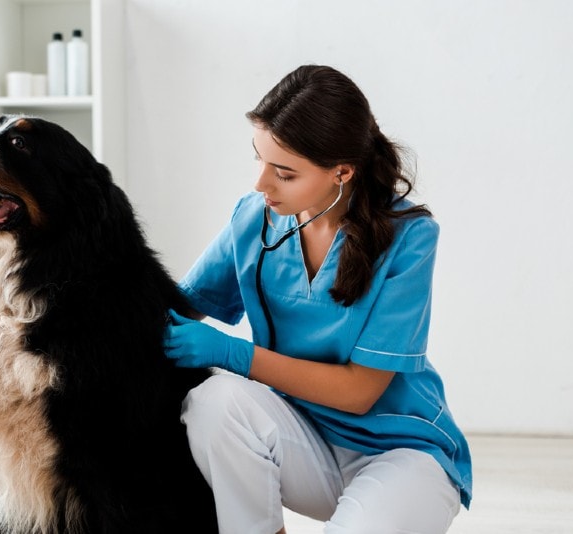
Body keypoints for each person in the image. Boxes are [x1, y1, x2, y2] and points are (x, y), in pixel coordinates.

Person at [163, 65, 472, 534]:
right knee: (213, 403)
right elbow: (177, 307)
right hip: (302, 441)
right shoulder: (254, 219)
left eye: (284, 173)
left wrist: (233, 353)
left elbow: (359, 391)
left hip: (400, 452)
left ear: (341, 172)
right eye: (259, 160)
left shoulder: (409, 237)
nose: (261, 185)